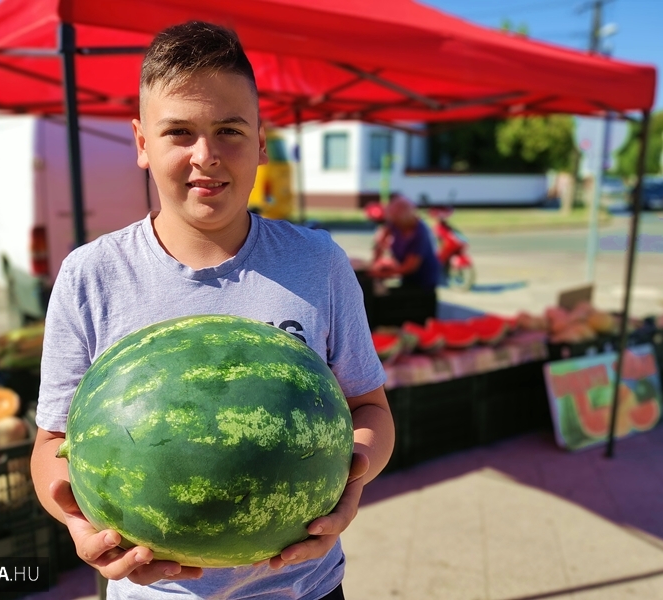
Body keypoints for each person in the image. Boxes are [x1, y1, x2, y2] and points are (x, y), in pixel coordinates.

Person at [30, 20, 394, 600]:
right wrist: (80, 524)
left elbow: (369, 408)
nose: (206, 156)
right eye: (179, 132)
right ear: (143, 143)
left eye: (229, 130)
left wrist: (349, 483)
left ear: (260, 142)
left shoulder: (318, 262)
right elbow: (53, 442)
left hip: (305, 588)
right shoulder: (90, 275)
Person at [369, 194, 440, 290]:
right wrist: (376, 261)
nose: (394, 223)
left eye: (396, 220)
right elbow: (380, 242)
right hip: (406, 278)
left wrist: (384, 274)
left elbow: (410, 266)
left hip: (423, 281)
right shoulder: (394, 224)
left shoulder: (420, 233)